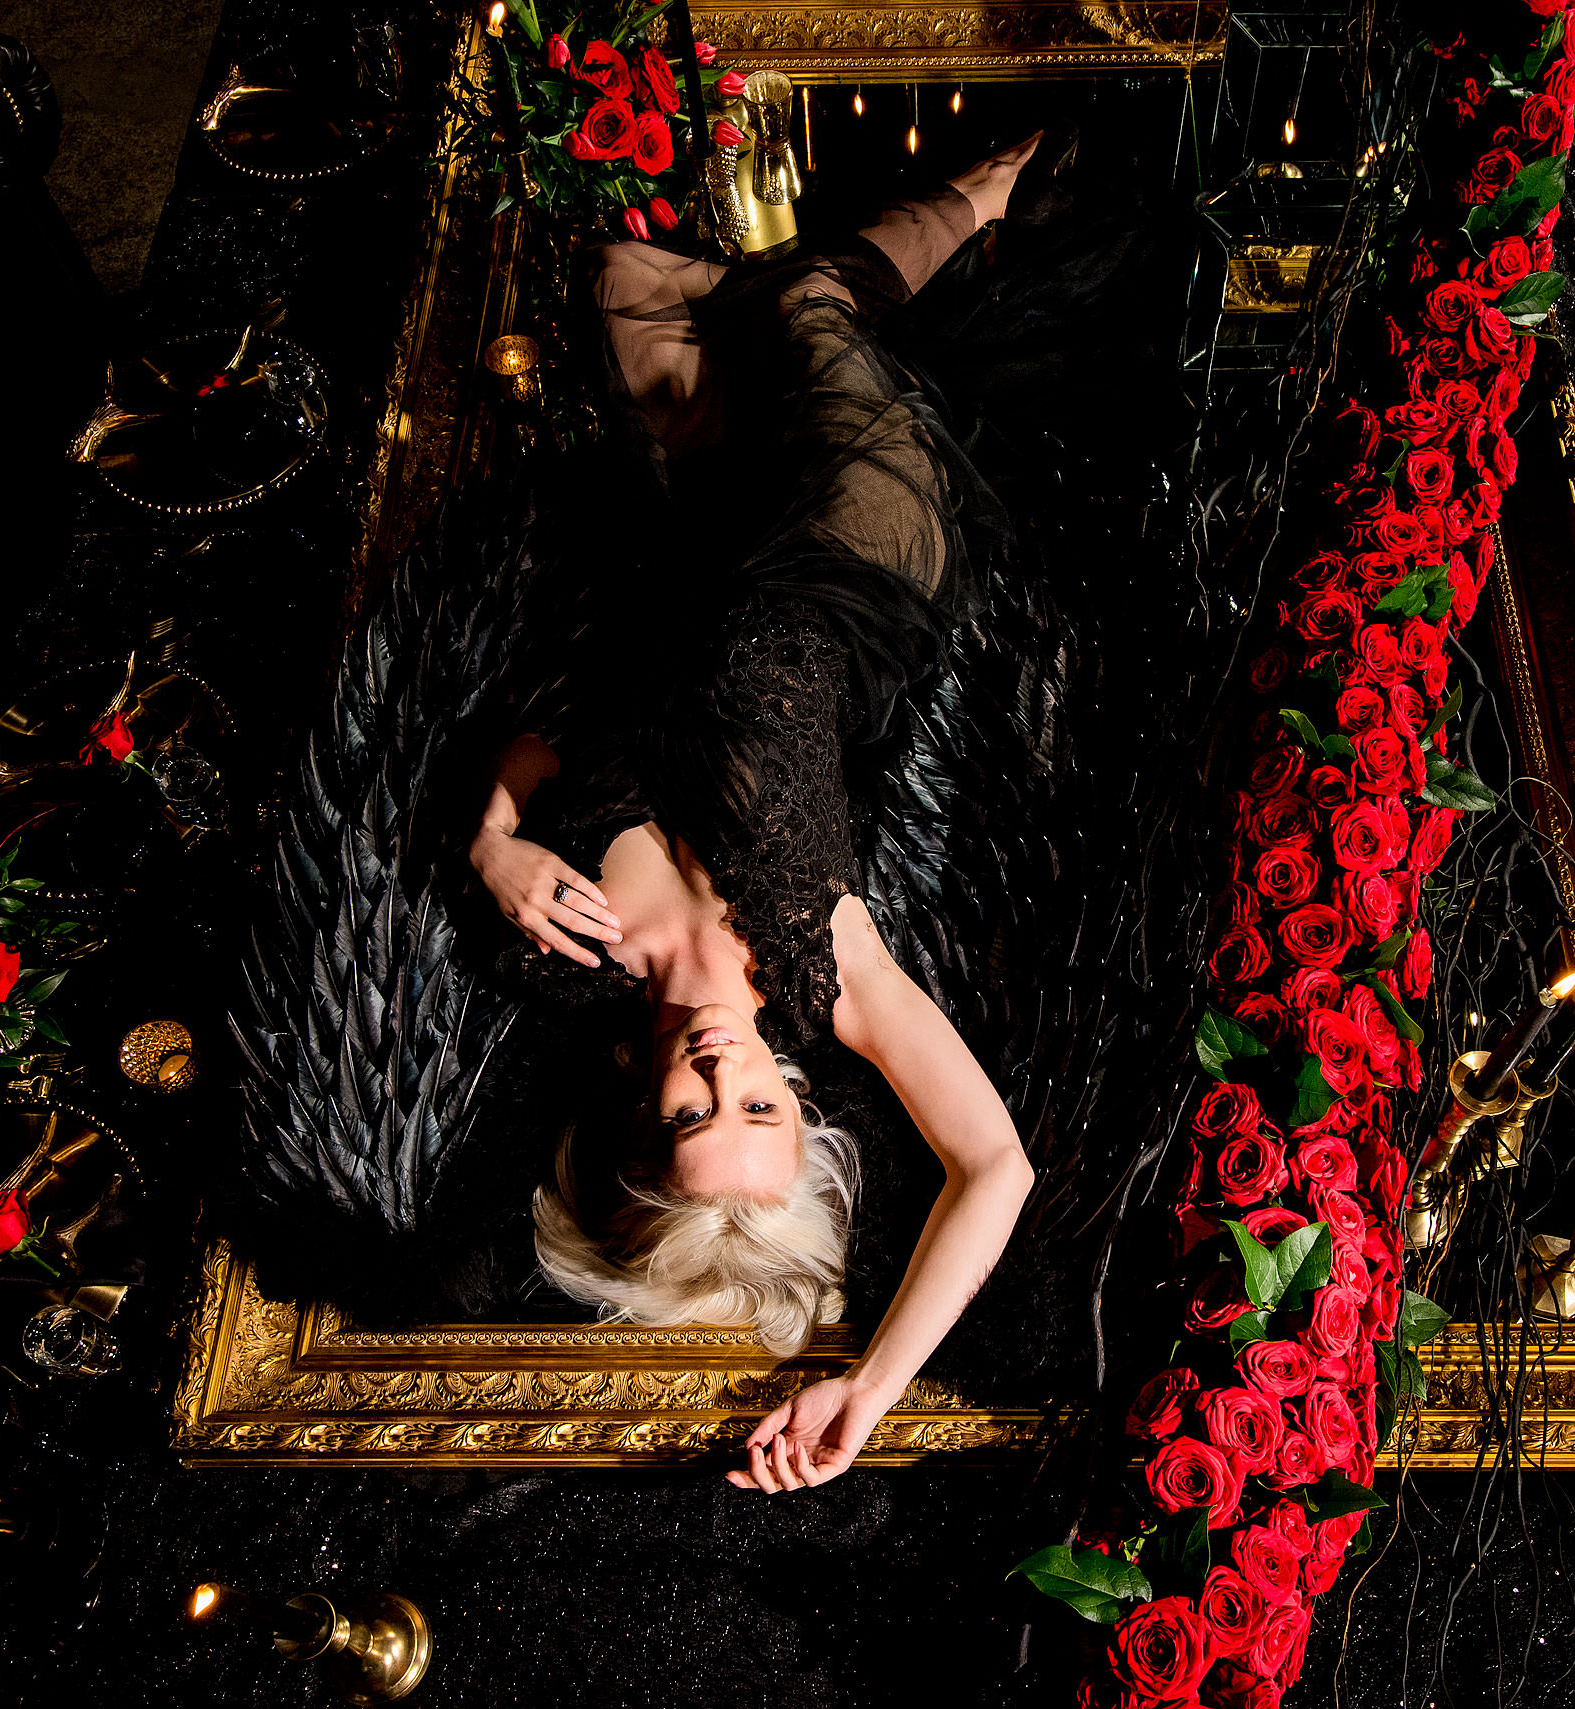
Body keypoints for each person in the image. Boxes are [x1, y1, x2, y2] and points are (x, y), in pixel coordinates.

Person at [467, 137, 1054, 1492]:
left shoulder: (556, 943)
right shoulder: (823, 967)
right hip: (857, 561)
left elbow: (551, 731)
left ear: (644, 1112)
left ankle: (762, 331)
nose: (726, 1065)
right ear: (802, 1107)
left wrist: (490, 835)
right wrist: (871, 1387)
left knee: (619, 276)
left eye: (692, 1109)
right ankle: (980, 194)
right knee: (799, 307)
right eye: (760, 1106)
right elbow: (994, 1167)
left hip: (686, 553)